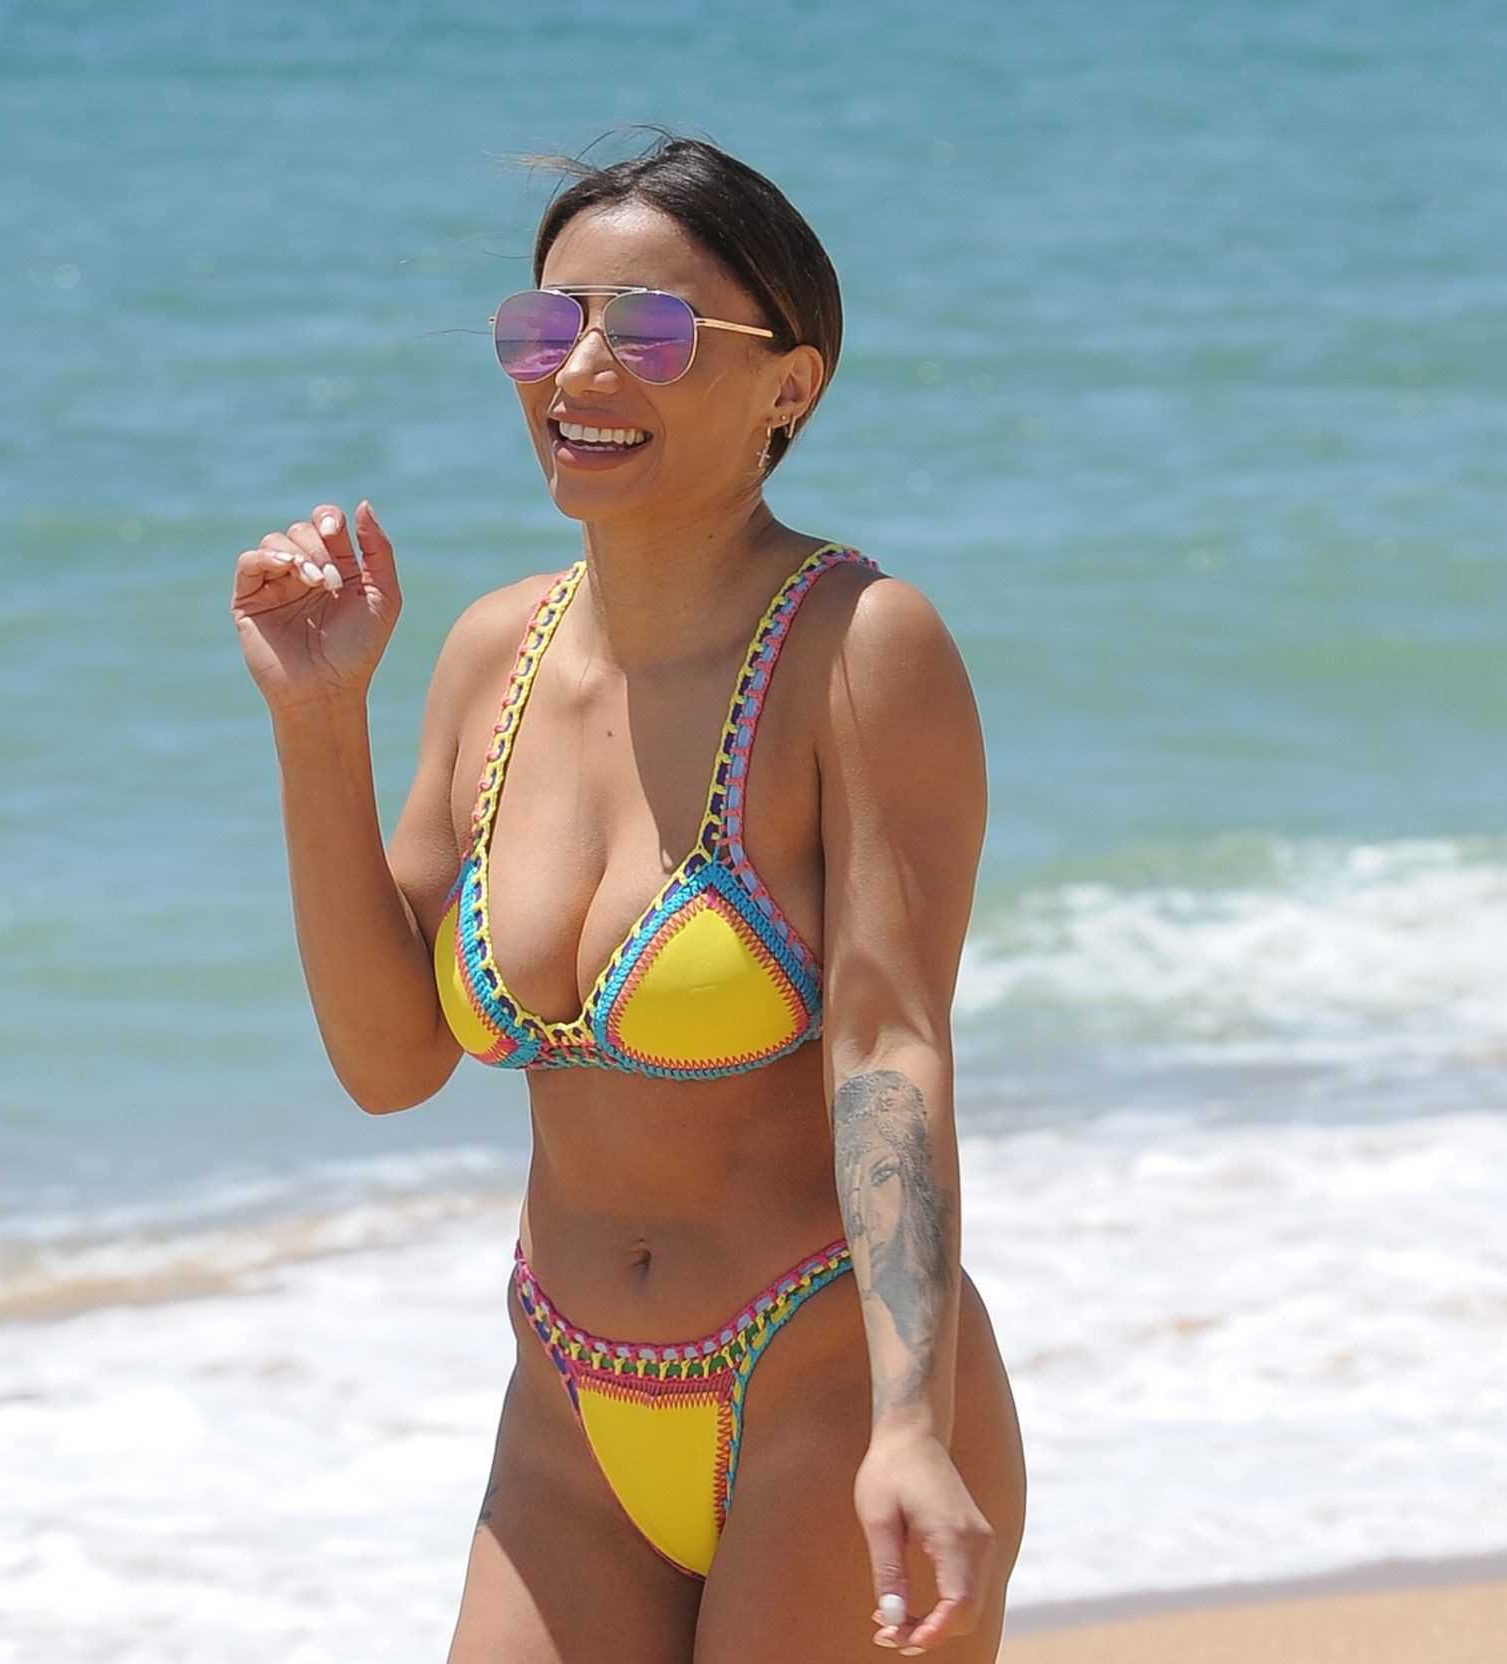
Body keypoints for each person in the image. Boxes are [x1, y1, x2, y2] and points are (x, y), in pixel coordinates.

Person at [231, 129, 1026, 1662]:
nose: (581, 370)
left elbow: (888, 1045)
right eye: (546, 325)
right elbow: (389, 1064)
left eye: (651, 330)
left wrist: (913, 1422)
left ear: (788, 384)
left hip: (826, 1399)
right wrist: (317, 721)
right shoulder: (493, 653)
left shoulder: (859, 646)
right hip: (568, 1410)